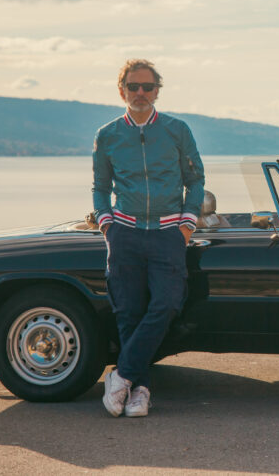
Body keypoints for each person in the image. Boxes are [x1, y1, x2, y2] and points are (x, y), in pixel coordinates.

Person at [92, 58, 204, 418]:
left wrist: (187, 225)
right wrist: (107, 225)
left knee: (168, 304)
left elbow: (196, 180)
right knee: (128, 312)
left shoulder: (177, 130)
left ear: (157, 90)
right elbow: (100, 187)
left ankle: (121, 375)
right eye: (134, 86)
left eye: (148, 87)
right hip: (124, 233)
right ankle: (139, 391)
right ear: (121, 89)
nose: (141, 93)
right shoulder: (107, 135)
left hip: (168, 234)